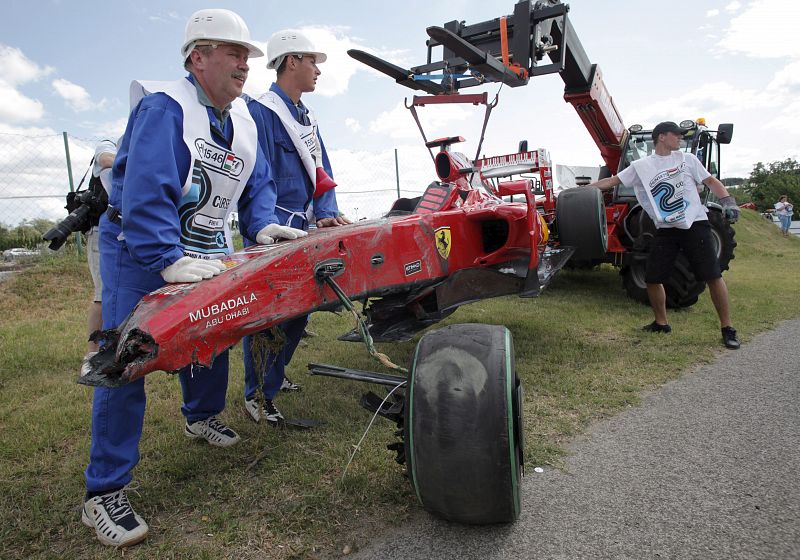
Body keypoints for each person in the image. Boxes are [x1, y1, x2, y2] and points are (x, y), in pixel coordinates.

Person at [82, 9, 278, 548]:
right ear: (198, 57)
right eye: (233, 52)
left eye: (247, 55)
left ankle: (202, 415)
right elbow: (144, 185)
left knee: (214, 335)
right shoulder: (165, 106)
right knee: (126, 359)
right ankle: (104, 492)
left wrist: (262, 229)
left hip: (202, 248)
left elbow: (256, 186)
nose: (244, 63)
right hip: (138, 249)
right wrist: (165, 257)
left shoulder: (245, 120)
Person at [242, 29, 350, 424]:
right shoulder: (263, 113)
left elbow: (322, 170)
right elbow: (259, 176)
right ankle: (257, 394)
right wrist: (264, 226)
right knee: (270, 318)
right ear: (290, 61)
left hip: (305, 230)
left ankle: (274, 375)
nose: (317, 69)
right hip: (275, 232)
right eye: (311, 60)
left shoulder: (306, 117)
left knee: (300, 312)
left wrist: (326, 210)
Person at [589, 121, 741, 350]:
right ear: (662, 137)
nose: (680, 139)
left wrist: (728, 202)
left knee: (713, 275)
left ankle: (727, 329)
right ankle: (661, 323)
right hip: (666, 229)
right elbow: (613, 181)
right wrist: (582, 190)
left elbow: (710, 181)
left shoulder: (687, 160)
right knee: (652, 278)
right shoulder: (641, 166)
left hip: (695, 224)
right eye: (676, 135)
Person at [80, 139, 117, 377]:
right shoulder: (109, 144)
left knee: (114, 294)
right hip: (101, 230)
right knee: (102, 295)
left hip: (124, 231)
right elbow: (105, 160)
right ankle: (92, 355)